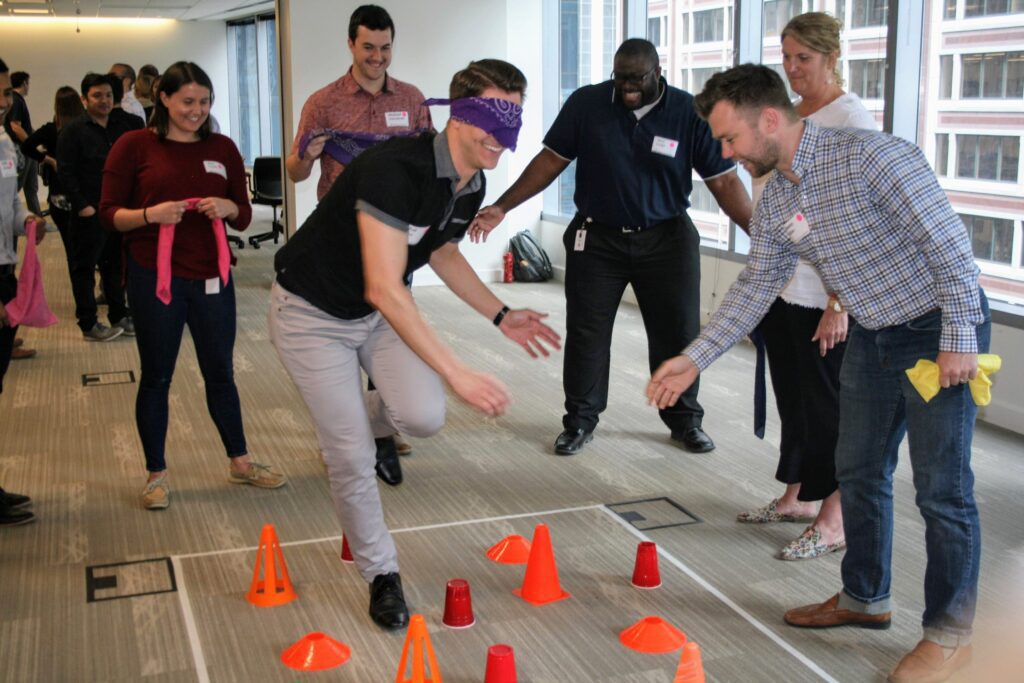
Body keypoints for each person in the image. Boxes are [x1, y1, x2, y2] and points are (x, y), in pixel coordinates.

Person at [649, 64, 989, 683]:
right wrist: (694, 356)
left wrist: (959, 337)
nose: (724, 152)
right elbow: (756, 287)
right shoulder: (778, 194)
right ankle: (865, 598)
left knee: (942, 490)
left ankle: (951, 634)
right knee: (856, 470)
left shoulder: (874, 157)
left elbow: (950, 248)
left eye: (730, 139)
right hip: (872, 333)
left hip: (937, 330)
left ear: (770, 119)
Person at [269, 59, 560, 630]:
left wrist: (499, 313)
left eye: (516, 121)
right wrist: (458, 372)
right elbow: (384, 285)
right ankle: (382, 574)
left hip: (375, 315)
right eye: (494, 120)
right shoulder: (391, 171)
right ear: (456, 116)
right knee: (350, 456)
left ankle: (354, 420)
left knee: (422, 417)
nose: (505, 138)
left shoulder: (472, 179)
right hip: (311, 314)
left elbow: (441, 250)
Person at [470, 38, 750, 456]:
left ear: (658, 72)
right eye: (620, 78)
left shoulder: (689, 112)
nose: (627, 87)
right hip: (597, 238)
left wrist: (761, 233)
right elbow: (550, 161)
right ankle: (580, 421)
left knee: (678, 334)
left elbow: (724, 181)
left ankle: (685, 420)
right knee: (587, 333)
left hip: (667, 239)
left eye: (636, 79)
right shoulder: (588, 103)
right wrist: (501, 206)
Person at [99, 61, 287, 510]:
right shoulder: (133, 146)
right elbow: (109, 214)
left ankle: (240, 462)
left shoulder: (221, 147)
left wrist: (227, 206)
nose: (197, 111)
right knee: (157, 376)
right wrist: (150, 215)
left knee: (221, 372)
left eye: (204, 102)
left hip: (212, 276)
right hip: (155, 278)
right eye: (187, 102)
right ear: (163, 98)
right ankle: (156, 474)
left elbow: (242, 213)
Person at [736, 12, 878, 562]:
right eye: (787, 57)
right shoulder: (789, 115)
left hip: (827, 293)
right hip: (785, 283)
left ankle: (835, 518)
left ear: (832, 58)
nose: (793, 69)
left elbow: (858, 218)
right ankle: (796, 497)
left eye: (805, 59)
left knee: (830, 410)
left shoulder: (851, 119)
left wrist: (840, 302)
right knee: (794, 400)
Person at [285, 4, 434, 483]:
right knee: (342, 332)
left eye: (386, 48)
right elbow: (294, 171)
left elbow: (430, 160)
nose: (378, 57)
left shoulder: (412, 99)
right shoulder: (323, 101)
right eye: (369, 47)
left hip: (394, 235)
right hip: (339, 239)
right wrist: (305, 158)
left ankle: (381, 435)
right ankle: (349, 430)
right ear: (351, 44)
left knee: (389, 332)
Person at [57, 72, 136, 341]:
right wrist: (82, 206)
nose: (104, 100)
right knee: (85, 269)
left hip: (116, 211)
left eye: (108, 95)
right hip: (88, 212)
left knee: (114, 266)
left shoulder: (120, 127)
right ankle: (89, 323)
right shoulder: (73, 131)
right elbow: (65, 173)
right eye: (97, 95)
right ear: (84, 99)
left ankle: (119, 315)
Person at [0, 56, 43, 526]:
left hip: (4, 266)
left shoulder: (2, 143)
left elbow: (7, 202)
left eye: (7, 93)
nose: (4, 102)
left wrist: (25, 220)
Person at [22, 86, 85, 268]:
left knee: (70, 247)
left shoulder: (51, 130)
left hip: (59, 197)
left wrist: (49, 160)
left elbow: (26, 146)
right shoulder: (85, 128)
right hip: (84, 195)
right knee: (85, 246)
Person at [3, 70, 42, 216]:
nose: (29, 86)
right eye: (28, 83)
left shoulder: (17, 99)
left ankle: (38, 221)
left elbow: (24, 126)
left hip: (26, 150)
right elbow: (15, 126)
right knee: (17, 186)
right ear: (24, 83)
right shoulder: (15, 99)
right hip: (21, 150)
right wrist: (31, 143)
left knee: (31, 187)